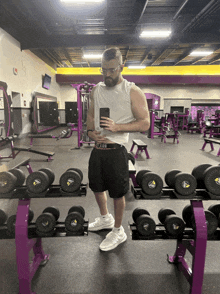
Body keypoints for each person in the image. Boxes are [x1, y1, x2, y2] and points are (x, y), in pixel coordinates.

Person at [86, 47, 150, 251]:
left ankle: (118, 230)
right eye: (103, 70)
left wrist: (117, 127)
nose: (107, 74)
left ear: (121, 67)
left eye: (111, 70)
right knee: (96, 187)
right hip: (98, 149)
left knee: (117, 193)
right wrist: (89, 132)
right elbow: (90, 116)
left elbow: (145, 123)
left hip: (117, 151)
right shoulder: (96, 90)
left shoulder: (132, 91)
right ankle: (105, 218)